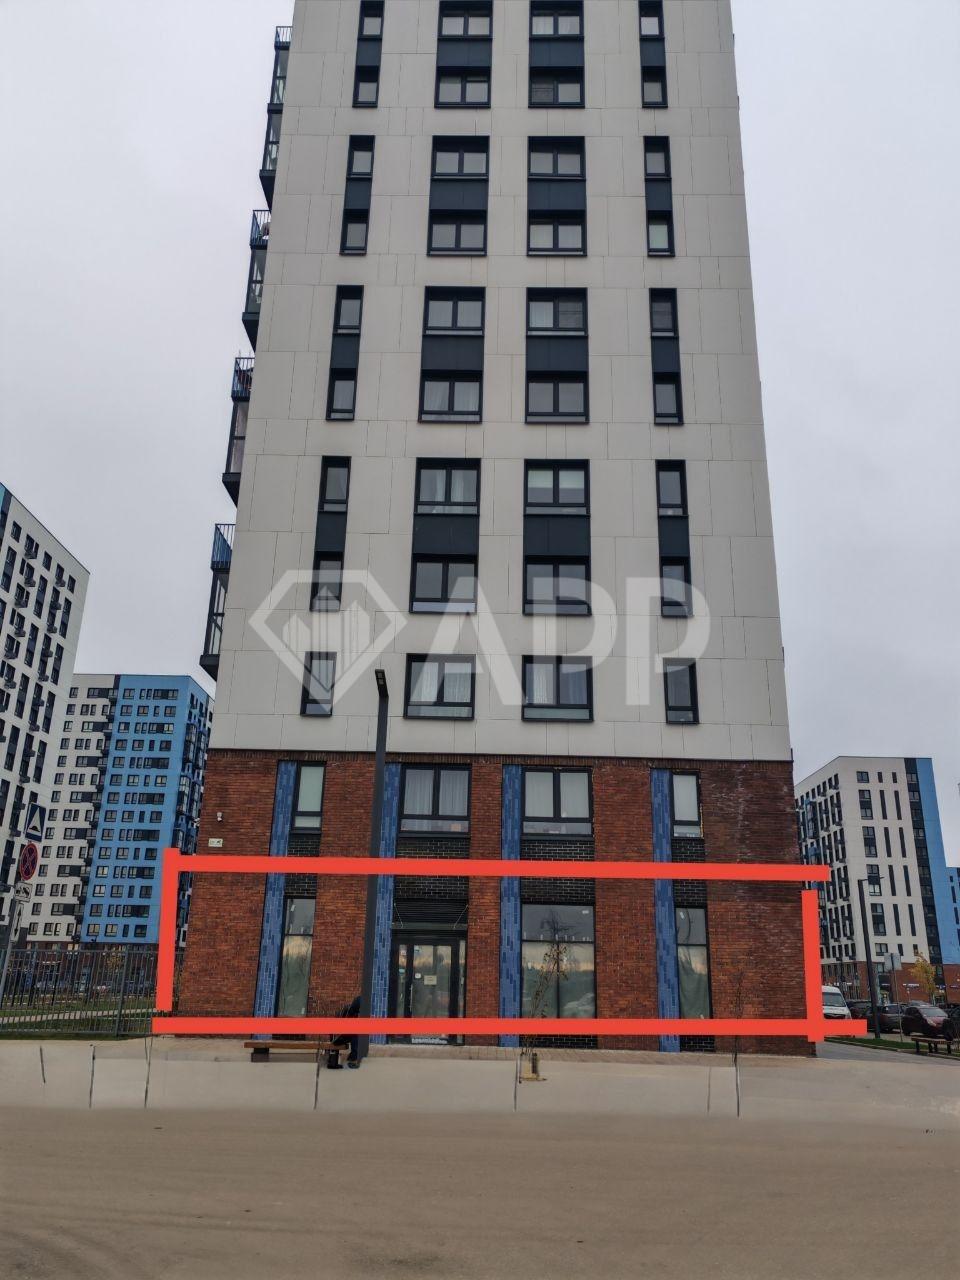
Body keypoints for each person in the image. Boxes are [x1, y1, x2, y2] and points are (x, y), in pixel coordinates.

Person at [327, 995, 361, 1069]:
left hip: (341, 1036)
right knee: (355, 1034)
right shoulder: (349, 1014)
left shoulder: (349, 1011)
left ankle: (352, 1058)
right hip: (339, 1037)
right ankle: (352, 1059)